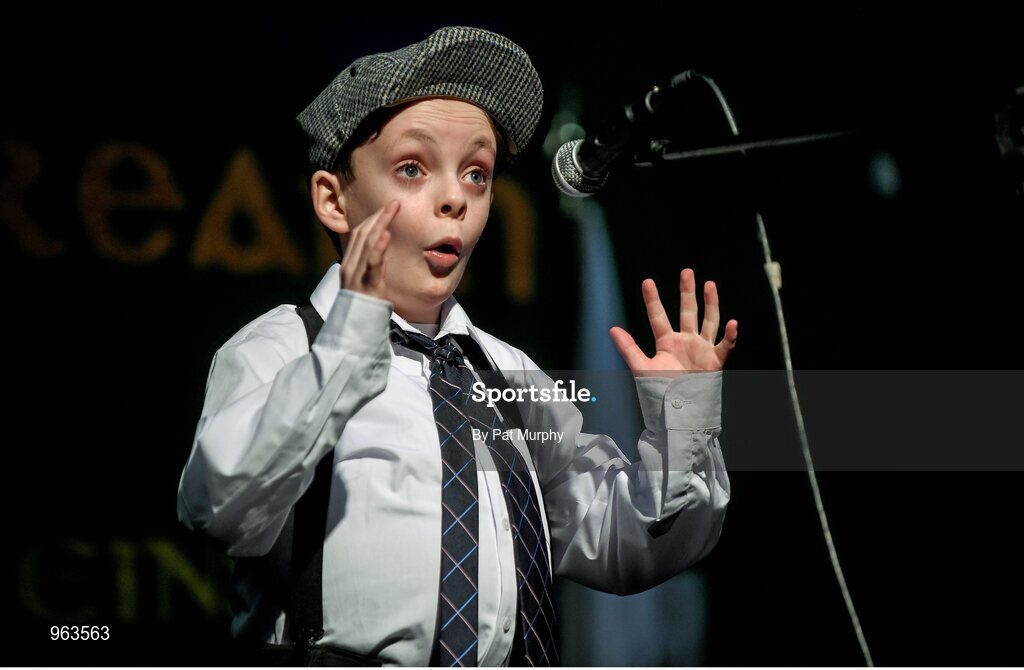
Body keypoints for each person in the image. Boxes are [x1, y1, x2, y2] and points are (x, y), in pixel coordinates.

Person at [177, 25, 737, 667]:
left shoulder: (510, 376)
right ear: (334, 199)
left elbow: (618, 542)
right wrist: (345, 351)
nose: (453, 200)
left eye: (477, 174)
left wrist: (683, 424)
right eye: (412, 168)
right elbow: (218, 506)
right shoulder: (282, 347)